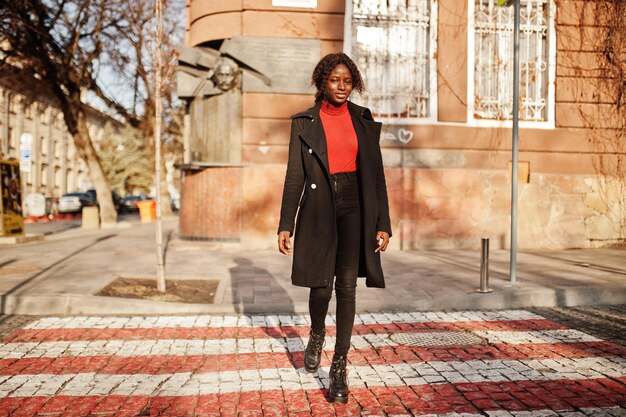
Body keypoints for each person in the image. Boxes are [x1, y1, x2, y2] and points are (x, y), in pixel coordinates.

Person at [277, 52, 392, 404]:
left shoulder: (363, 119)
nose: (342, 87)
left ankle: (339, 365)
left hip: (356, 205)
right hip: (319, 206)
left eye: (347, 81)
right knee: (321, 286)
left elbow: (376, 175)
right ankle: (315, 333)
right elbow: (295, 175)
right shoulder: (304, 122)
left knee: (347, 287)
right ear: (322, 83)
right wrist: (286, 224)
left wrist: (383, 223)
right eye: (334, 81)